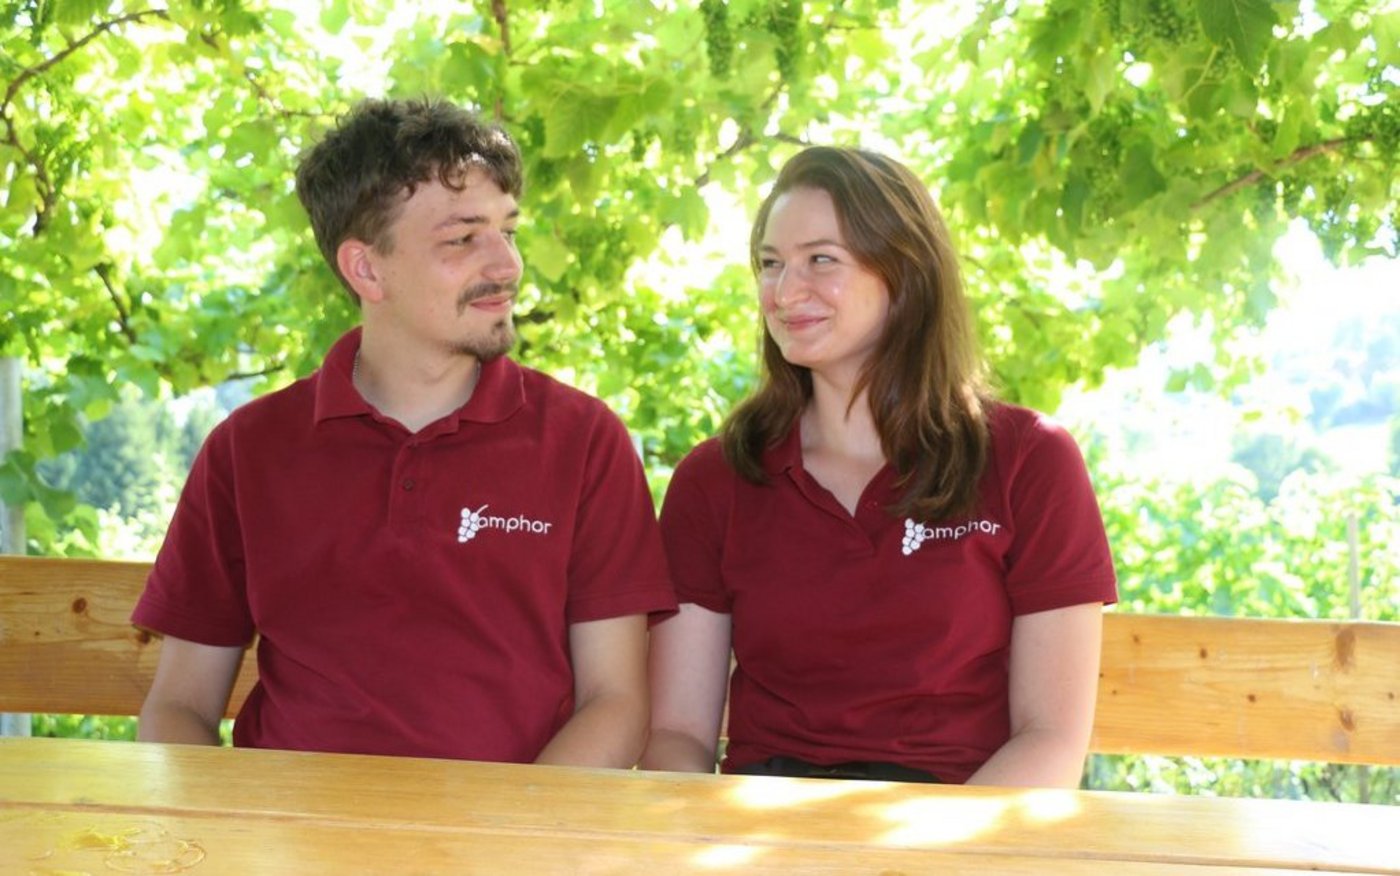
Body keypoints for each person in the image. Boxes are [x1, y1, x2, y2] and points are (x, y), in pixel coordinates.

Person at [133, 97, 676, 768]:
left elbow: (615, 702)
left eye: (508, 230)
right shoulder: (248, 450)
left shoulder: (583, 442)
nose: (506, 264)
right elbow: (179, 706)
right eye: (463, 239)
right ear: (366, 268)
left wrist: (508, 830)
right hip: (290, 824)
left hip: (510, 826)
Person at [640, 146, 1117, 787]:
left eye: (821, 260)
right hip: (761, 823)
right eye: (771, 264)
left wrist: (938, 843)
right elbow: (677, 735)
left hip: (963, 819)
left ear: (906, 270)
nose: (785, 292)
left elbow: (1051, 740)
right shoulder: (716, 478)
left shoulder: (1028, 459)